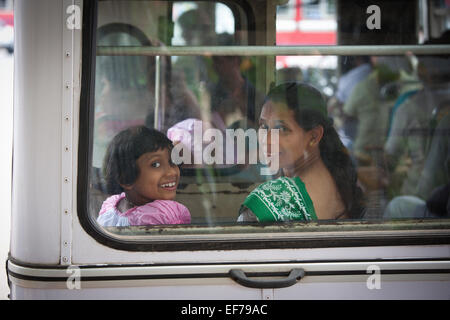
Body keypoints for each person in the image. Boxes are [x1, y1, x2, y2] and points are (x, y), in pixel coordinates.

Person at [238, 82, 364, 222]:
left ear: (314, 136)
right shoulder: (337, 181)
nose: (266, 140)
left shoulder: (270, 200)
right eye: (263, 126)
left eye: (281, 129)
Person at [97, 126, 191, 226]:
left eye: (173, 162)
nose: (171, 172)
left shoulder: (111, 206)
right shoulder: (163, 214)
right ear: (126, 179)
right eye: (156, 165)